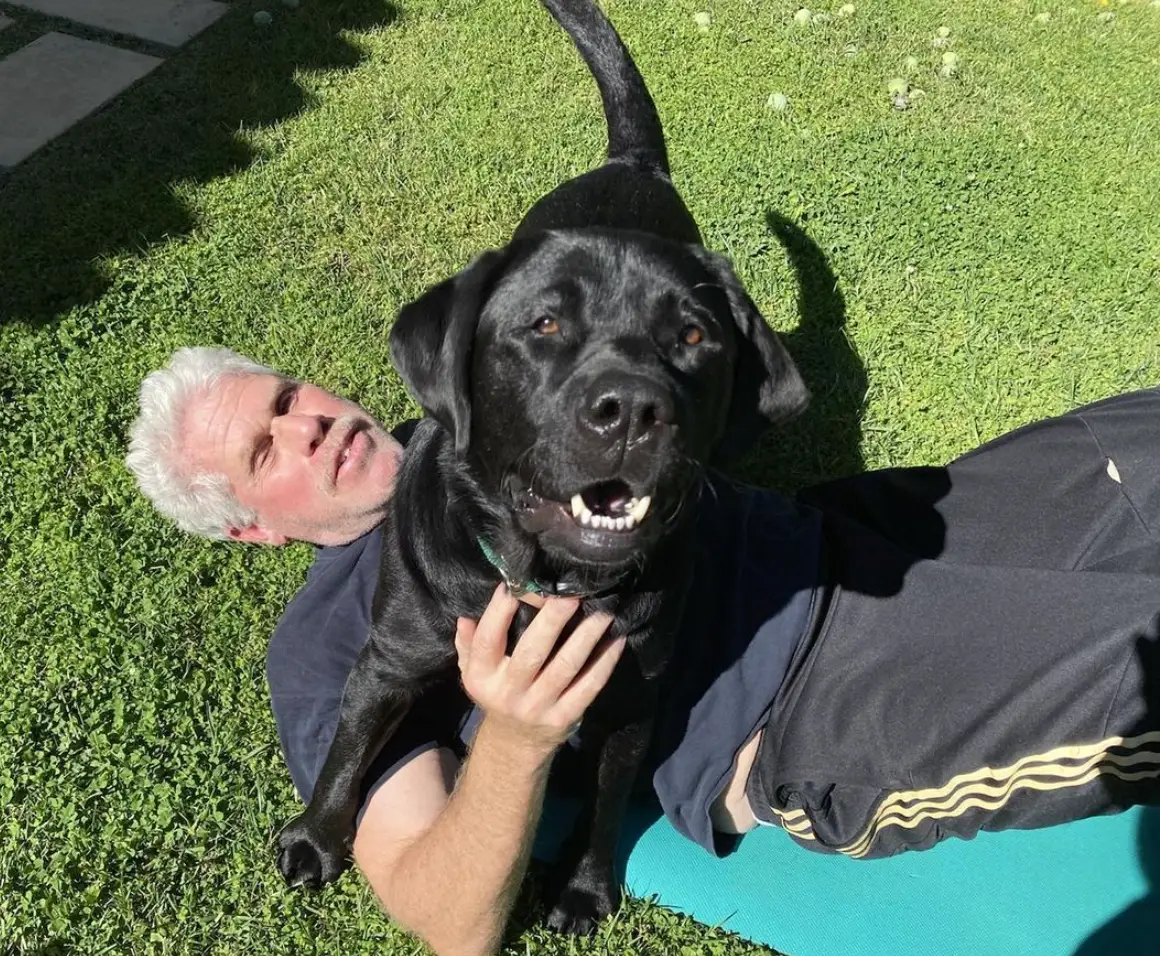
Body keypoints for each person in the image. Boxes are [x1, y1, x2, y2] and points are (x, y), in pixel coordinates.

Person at [127, 346, 1160, 956]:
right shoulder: (326, 643)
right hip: (803, 698)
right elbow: (441, 917)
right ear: (251, 528)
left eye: (287, 398)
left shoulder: (474, 411)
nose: (308, 427)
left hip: (857, 533)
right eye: (266, 449)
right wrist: (518, 737)